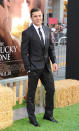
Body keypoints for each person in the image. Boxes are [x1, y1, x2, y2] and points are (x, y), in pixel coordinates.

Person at [21, 8, 58, 127]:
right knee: (31, 94)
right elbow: (24, 52)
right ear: (31, 18)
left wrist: (55, 62)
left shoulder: (47, 30)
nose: (38, 18)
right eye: (35, 16)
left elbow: (51, 48)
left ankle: (48, 114)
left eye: (40, 16)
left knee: (51, 89)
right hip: (34, 68)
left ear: (42, 16)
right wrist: (28, 68)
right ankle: (32, 118)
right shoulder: (27, 32)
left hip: (46, 67)